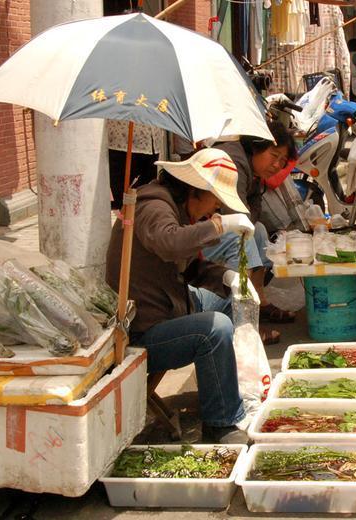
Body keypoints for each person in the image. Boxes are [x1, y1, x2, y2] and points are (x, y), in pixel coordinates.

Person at [106, 148, 257, 444]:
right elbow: (169, 243)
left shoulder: (175, 208)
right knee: (214, 329)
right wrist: (219, 226)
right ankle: (220, 422)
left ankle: (225, 391)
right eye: (214, 202)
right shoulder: (152, 205)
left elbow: (189, 268)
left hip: (173, 307)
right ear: (194, 190)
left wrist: (228, 279)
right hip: (140, 333)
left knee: (232, 301)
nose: (213, 212)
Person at [208, 122, 298, 343]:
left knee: (257, 230)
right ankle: (244, 326)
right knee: (244, 234)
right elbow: (237, 215)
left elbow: (253, 210)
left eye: (282, 161)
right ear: (257, 146)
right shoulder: (234, 162)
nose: (277, 165)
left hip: (217, 229)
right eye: (274, 155)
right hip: (199, 236)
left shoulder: (252, 169)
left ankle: (261, 300)